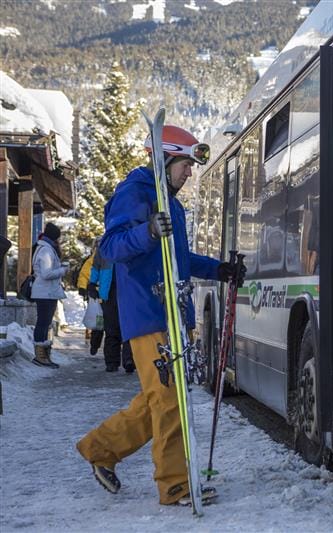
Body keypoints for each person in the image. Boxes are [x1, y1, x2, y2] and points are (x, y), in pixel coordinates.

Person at [76, 125, 244, 507]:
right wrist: (148, 232)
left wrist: (218, 269)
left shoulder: (171, 202)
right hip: (149, 313)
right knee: (169, 401)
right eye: (185, 164)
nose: (189, 173)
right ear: (165, 159)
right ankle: (175, 485)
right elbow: (111, 246)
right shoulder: (135, 192)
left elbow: (179, 260)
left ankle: (99, 448)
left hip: (172, 313)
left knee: (162, 397)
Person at [87, 252, 135, 373]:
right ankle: (112, 362)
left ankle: (128, 360)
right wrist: (92, 283)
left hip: (127, 291)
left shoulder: (128, 243)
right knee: (111, 328)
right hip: (108, 292)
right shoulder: (105, 247)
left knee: (127, 327)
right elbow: (96, 266)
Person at [30, 222, 69, 368]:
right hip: (45, 292)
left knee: (45, 324)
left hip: (47, 292)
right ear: (53, 237)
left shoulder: (45, 248)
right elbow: (46, 274)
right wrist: (63, 270)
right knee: (43, 323)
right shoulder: (46, 250)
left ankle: (44, 355)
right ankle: (40, 356)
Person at [77, 245, 104, 353]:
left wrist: (83, 287)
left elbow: (84, 274)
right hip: (97, 296)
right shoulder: (93, 260)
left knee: (102, 323)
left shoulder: (93, 259)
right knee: (99, 323)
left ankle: (96, 344)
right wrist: (82, 287)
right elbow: (84, 274)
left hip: (99, 295)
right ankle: (95, 344)